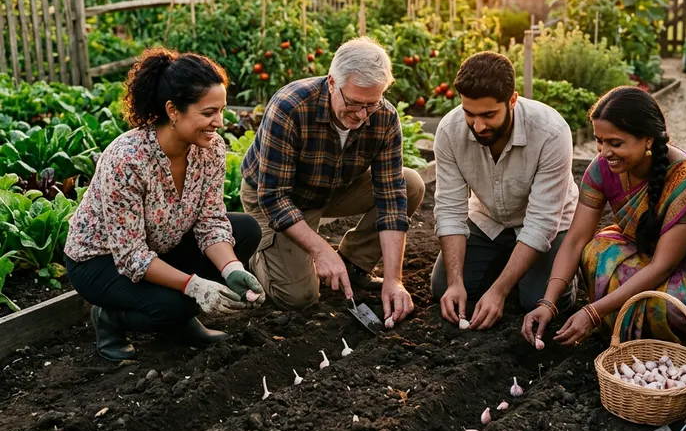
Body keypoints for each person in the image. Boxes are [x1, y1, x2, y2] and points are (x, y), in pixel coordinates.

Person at [522, 85, 686, 362]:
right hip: (648, 245)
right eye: (600, 141)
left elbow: (663, 265)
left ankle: (674, 350)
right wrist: (548, 302)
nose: (604, 152)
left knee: (668, 307)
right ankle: (629, 332)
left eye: (616, 143)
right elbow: (575, 240)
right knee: (595, 253)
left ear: (648, 140)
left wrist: (593, 312)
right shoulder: (601, 169)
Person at [65, 49, 265, 362]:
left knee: (246, 230)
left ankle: (178, 318)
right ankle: (111, 318)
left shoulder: (210, 150)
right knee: (178, 302)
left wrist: (232, 269)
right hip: (102, 261)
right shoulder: (127, 160)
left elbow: (210, 221)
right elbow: (131, 256)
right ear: (173, 110)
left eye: (221, 111)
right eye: (209, 112)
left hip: (159, 244)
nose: (219, 122)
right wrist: (195, 286)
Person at [240, 36, 425, 324]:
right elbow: (274, 197)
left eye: (371, 105)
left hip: (334, 188)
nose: (362, 115)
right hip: (277, 197)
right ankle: (253, 254)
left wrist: (394, 279)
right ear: (331, 83)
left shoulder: (384, 117)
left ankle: (352, 264)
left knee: (410, 184)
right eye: (353, 103)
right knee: (298, 299)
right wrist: (322, 251)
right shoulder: (290, 107)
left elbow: (391, 199)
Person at [431, 51, 579, 330]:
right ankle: (504, 266)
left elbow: (541, 222)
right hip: (489, 220)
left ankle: (565, 270)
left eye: (489, 115)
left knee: (535, 300)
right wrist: (455, 282)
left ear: (512, 99)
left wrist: (499, 292)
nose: (478, 125)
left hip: (550, 225)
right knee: (443, 290)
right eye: (469, 114)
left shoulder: (551, 132)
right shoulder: (450, 131)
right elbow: (450, 208)